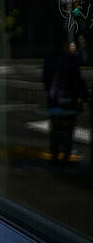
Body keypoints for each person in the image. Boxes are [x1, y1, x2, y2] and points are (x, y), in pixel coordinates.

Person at [42, 36, 87, 165]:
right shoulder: (71, 59)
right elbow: (78, 80)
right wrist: (83, 96)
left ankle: (55, 154)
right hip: (69, 101)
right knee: (68, 129)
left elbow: (45, 81)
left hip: (54, 101)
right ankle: (66, 155)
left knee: (55, 128)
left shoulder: (49, 59)